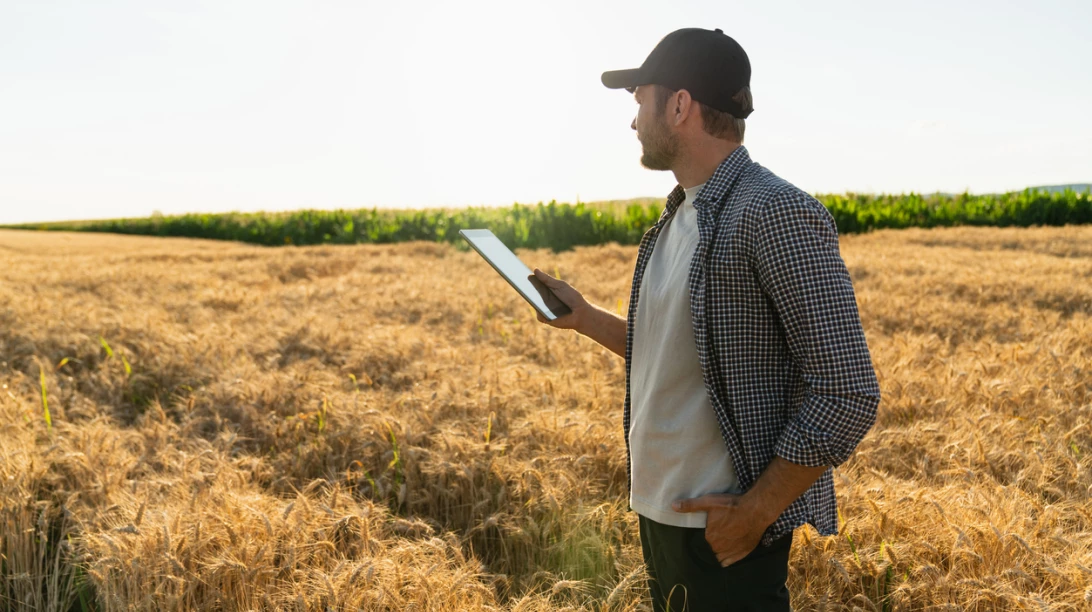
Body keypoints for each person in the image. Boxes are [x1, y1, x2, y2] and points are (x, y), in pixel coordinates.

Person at [529, 27, 881, 611]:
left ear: (679, 104)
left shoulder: (775, 213)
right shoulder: (676, 218)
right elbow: (681, 356)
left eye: (640, 99)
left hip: (722, 536)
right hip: (661, 516)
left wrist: (756, 513)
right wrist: (586, 316)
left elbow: (847, 391)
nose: (633, 120)